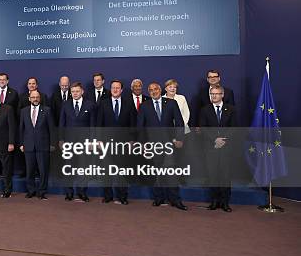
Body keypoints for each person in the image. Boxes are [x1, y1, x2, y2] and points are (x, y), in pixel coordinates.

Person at [137, 82, 187, 210]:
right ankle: (158, 198)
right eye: (151, 90)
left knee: (171, 174)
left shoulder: (171, 103)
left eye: (156, 89)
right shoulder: (144, 106)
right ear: (148, 92)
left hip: (169, 144)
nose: (154, 91)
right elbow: (140, 127)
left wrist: (179, 138)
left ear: (160, 90)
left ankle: (175, 200)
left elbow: (180, 123)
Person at [96, 80, 137, 204]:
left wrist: (132, 140)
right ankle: (108, 196)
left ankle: (122, 196)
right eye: (113, 87)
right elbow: (99, 123)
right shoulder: (103, 104)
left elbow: (133, 124)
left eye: (117, 88)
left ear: (122, 90)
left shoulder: (129, 104)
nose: (115, 90)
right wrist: (98, 140)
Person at [199, 85, 237, 212]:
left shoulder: (231, 109)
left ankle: (225, 203)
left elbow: (234, 128)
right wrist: (215, 139)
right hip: (211, 147)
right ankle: (214, 201)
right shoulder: (205, 110)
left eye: (216, 94)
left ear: (222, 95)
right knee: (213, 175)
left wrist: (223, 140)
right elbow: (203, 128)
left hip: (227, 147)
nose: (214, 96)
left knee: (225, 175)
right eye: (212, 94)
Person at [59, 82, 96, 202]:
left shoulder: (90, 105)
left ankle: (82, 192)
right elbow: (62, 124)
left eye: (77, 91)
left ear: (82, 92)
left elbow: (93, 126)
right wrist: (61, 140)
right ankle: (69, 193)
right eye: (73, 91)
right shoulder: (65, 105)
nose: (75, 93)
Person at [19, 90, 55, 200]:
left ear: (40, 98)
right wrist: (21, 144)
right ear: (29, 98)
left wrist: (52, 144)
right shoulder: (24, 111)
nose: (35, 99)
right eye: (33, 97)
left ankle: (42, 191)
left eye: (37, 97)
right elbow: (21, 129)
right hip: (28, 145)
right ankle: (31, 190)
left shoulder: (47, 110)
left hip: (43, 145)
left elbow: (52, 129)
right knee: (30, 170)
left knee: (43, 170)